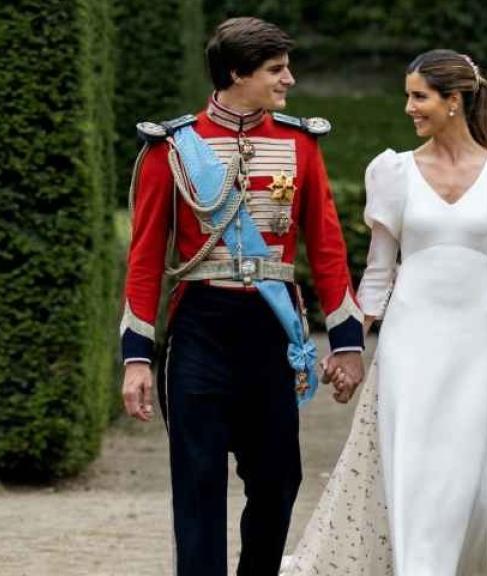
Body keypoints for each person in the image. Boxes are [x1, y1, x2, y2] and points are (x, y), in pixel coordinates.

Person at [282, 50, 487, 575]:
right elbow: (378, 274)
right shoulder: (392, 171)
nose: (409, 108)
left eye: (419, 96)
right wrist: (348, 342)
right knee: (410, 466)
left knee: (469, 477)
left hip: (476, 345)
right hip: (410, 342)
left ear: (454, 101)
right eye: (408, 96)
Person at [118, 17, 365, 576]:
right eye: (277, 70)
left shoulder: (300, 143)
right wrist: (136, 359)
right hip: (201, 328)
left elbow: (326, 249)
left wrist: (347, 343)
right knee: (198, 483)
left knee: (279, 479)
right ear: (237, 72)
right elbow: (144, 260)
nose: (290, 80)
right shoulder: (173, 149)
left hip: (271, 331)